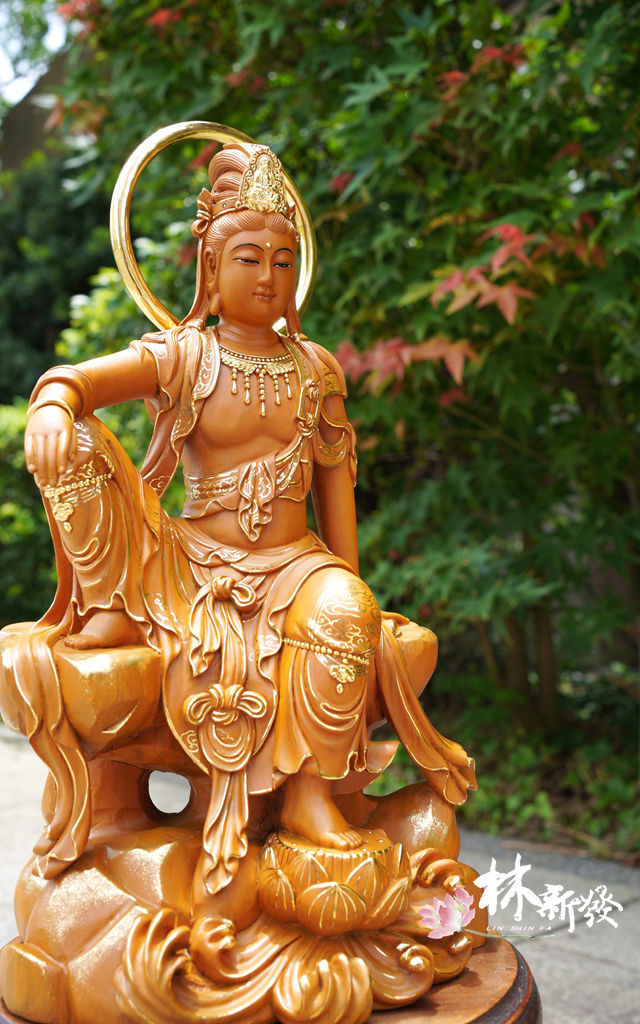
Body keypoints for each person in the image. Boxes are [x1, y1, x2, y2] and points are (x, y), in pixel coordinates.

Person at [7, 142, 475, 897]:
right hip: (188, 559)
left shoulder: (315, 368)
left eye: (284, 261)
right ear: (211, 269)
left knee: (346, 609)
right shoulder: (184, 354)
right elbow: (75, 382)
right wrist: (54, 405)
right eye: (249, 259)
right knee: (81, 446)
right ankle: (109, 603)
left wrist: (352, 588)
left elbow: (336, 485)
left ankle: (311, 796)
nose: (268, 277)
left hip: (294, 563)